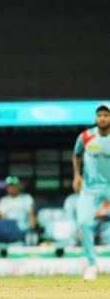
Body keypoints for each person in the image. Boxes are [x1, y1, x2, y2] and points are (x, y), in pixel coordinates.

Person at [72, 102, 110, 280]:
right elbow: (76, 154)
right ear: (96, 118)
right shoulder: (86, 136)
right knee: (84, 222)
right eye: (99, 115)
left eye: (106, 115)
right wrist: (77, 175)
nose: (102, 118)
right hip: (90, 187)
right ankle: (91, 264)